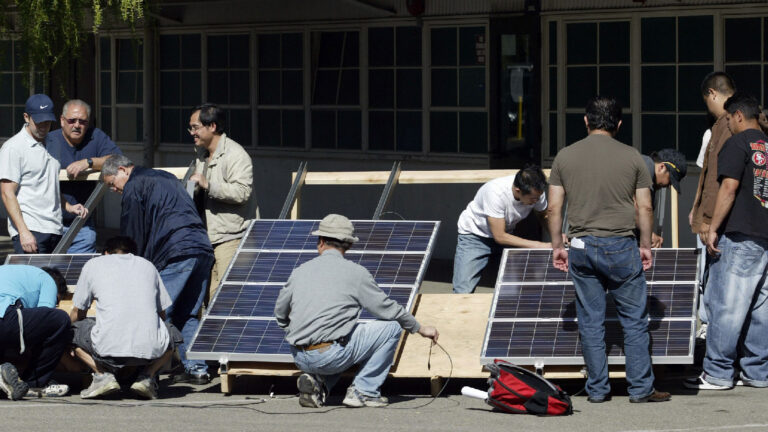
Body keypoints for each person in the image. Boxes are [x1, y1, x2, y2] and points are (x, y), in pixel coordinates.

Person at [547, 96, 670, 404]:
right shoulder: (634, 158)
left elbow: (553, 207)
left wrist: (557, 246)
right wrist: (645, 245)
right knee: (634, 320)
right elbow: (644, 205)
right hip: (621, 245)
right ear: (618, 124)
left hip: (580, 244)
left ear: (586, 121)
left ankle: (598, 390)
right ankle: (641, 389)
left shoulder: (564, 156)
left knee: (590, 320)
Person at [274, 214, 439, 408]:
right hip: (330, 355)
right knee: (391, 328)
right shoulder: (356, 273)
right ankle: (364, 391)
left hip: (299, 356)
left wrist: (294, 330)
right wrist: (419, 328)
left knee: (343, 334)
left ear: (320, 242)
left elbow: (280, 313)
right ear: (349, 245)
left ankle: (318, 384)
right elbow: (387, 309)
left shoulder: (299, 271)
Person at [100, 154, 214, 385]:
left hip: (176, 252)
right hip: (201, 247)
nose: (113, 190)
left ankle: (144, 373)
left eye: (112, 183)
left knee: (156, 312)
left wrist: (127, 269)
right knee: (188, 312)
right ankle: (197, 369)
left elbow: (132, 236)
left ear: (123, 170)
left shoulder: (133, 187)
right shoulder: (167, 178)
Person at [685, 93, 768, 390]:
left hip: (740, 234)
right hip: (765, 237)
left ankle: (718, 372)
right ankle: (757, 372)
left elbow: (729, 188)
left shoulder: (737, 143)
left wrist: (714, 227)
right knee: (761, 307)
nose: (729, 125)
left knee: (726, 306)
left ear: (737, 116)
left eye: (729, 120)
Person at [70, 236, 175, 399]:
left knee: (71, 331)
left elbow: (79, 312)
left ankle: (102, 376)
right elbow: (162, 314)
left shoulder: (93, 264)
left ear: (106, 253)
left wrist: (67, 333)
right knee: (172, 333)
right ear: (132, 253)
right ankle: (147, 377)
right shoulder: (148, 265)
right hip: (150, 350)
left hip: (106, 350)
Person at [0, 94, 87, 254]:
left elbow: (48, 184)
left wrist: (69, 206)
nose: (43, 125)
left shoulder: (54, 144)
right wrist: (23, 232)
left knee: (53, 279)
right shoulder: (13, 147)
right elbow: (7, 193)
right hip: (30, 230)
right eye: (38, 121)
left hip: (55, 228)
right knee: (34, 279)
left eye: (47, 121)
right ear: (26, 117)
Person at [188, 103, 255, 306]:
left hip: (231, 237)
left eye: (195, 127)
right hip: (206, 237)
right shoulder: (202, 154)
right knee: (206, 297)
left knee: (225, 299)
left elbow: (242, 192)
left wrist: (208, 184)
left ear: (213, 127)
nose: (192, 132)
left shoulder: (236, 154)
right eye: (190, 127)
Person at [452, 166, 551, 294]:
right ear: (518, 190)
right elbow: (500, 236)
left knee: (512, 288)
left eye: (538, 197)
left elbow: (543, 214)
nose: (536, 201)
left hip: (507, 235)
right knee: (463, 290)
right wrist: (540, 245)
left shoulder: (536, 192)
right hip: (475, 236)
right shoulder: (495, 192)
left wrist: (557, 236)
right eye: (533, 199)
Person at [690, 72, 736, 340]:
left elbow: (712, 179)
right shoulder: (750, 124)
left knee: (716, 281)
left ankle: (713, 339)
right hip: (745, 220)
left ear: (712, 94)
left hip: (720, 220)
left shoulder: (722, 127)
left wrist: (705, 218)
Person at [46, 99, 122, 253]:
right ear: (62, 120)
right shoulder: (49, 141)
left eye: (82, 121)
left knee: (78, 272)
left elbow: (120, 160)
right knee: (48, 274)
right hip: (49, 223)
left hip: (82, 224)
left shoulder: (96, 136)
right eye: (72, 120)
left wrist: (89, 162)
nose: (77, 125)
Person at [0, 265, 72, 399]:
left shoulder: (9, 270)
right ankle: (35, 382)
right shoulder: (47, 279)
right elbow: (44, 320)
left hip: (5, 318)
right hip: (4, 316)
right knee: (59, 319)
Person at [640, 148, 687, 248]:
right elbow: (631, 207)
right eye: (670, 180)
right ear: (661, 167)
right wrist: (647, 234)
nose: (668, 186)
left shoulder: (651, 185)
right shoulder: (644, 168)